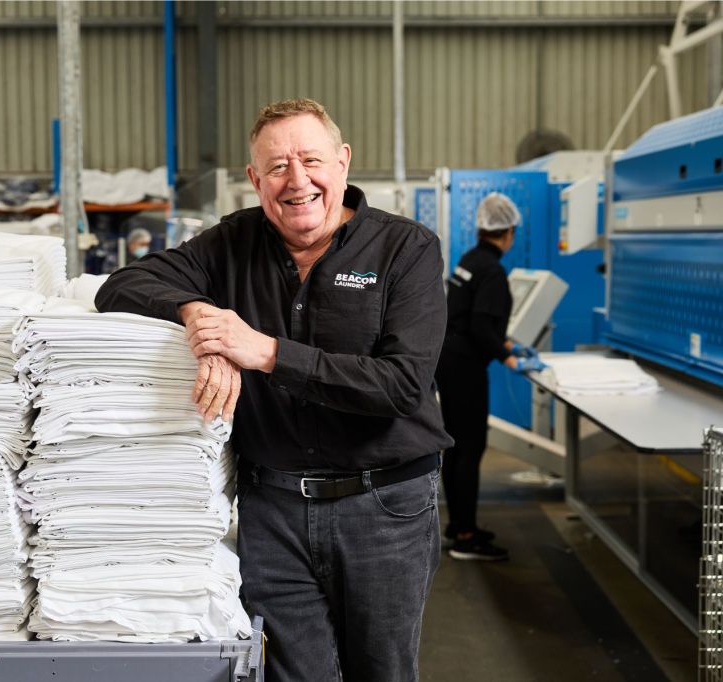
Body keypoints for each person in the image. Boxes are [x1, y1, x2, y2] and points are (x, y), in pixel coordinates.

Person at [95, 98, 452, 682]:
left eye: (311, 160)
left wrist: (263, 351)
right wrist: (198, 315)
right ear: (255, 179)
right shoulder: (231, 243)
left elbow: (402, 386)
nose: (297, 180)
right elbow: (122, 286)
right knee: (292, 674)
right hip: (273, 512)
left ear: (342, 162)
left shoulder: (404, 249)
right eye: (278, 167)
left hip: (384, 508)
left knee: (382, 670)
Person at [435, 192, 546, 562]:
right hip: (466, 367)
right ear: (508, 232)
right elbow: (481, 327)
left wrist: (507, 343)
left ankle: (459, 525)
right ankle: (466, 537)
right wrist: (508, 357)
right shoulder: (493, 271)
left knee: (457, 448)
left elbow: (466, 317)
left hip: (449, 362)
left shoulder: (469, 260)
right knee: (470, 449)